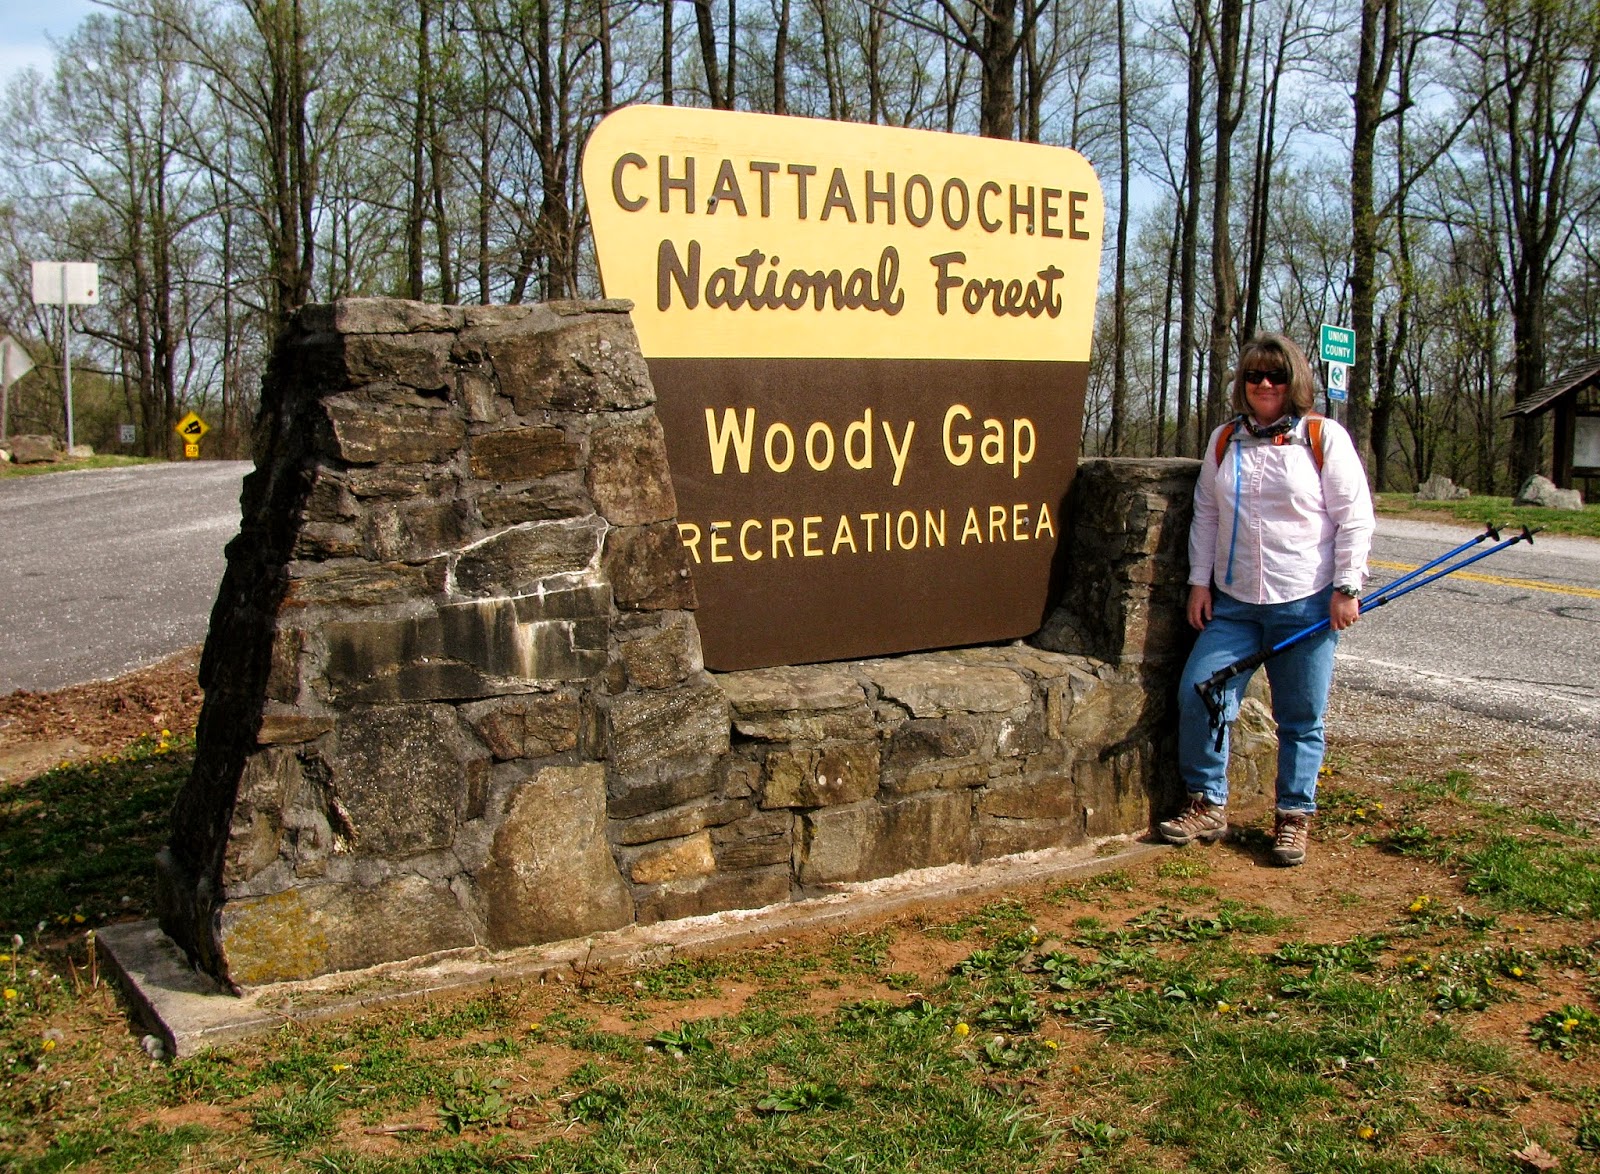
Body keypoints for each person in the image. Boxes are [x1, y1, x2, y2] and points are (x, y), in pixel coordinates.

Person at [1158, 332, 1375, 866]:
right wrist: (1199, 582)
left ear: (1295, 381)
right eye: (1254, 375)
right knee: (1200, 693)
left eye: (1276, 376)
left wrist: (1347, 587)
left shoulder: (1322, 437)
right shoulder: (1225, 440)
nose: (1264, 385)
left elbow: (1354, 517)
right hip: (1234, 603)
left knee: (1301, 716)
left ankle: (1293, 816)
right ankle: (1207, 802)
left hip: (1305, 599)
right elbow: (1206, 513)